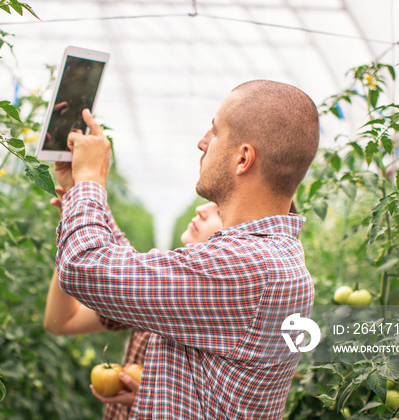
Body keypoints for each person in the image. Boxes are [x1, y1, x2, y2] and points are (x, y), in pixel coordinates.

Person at [52, 79, 320, 419]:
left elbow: (84, 266)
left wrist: (91, 179)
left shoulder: (244, 267)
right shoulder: (269, 258)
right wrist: (78, 188)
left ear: (243, 158)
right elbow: (137, 272)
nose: (202, 143)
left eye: (215, 131)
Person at [44, 200, 223, 419]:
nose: (202, 209)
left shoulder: (216, 319)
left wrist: (153, 400)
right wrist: (72, 234)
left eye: (220, 211)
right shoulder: (151, 296)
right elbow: (61, 321)